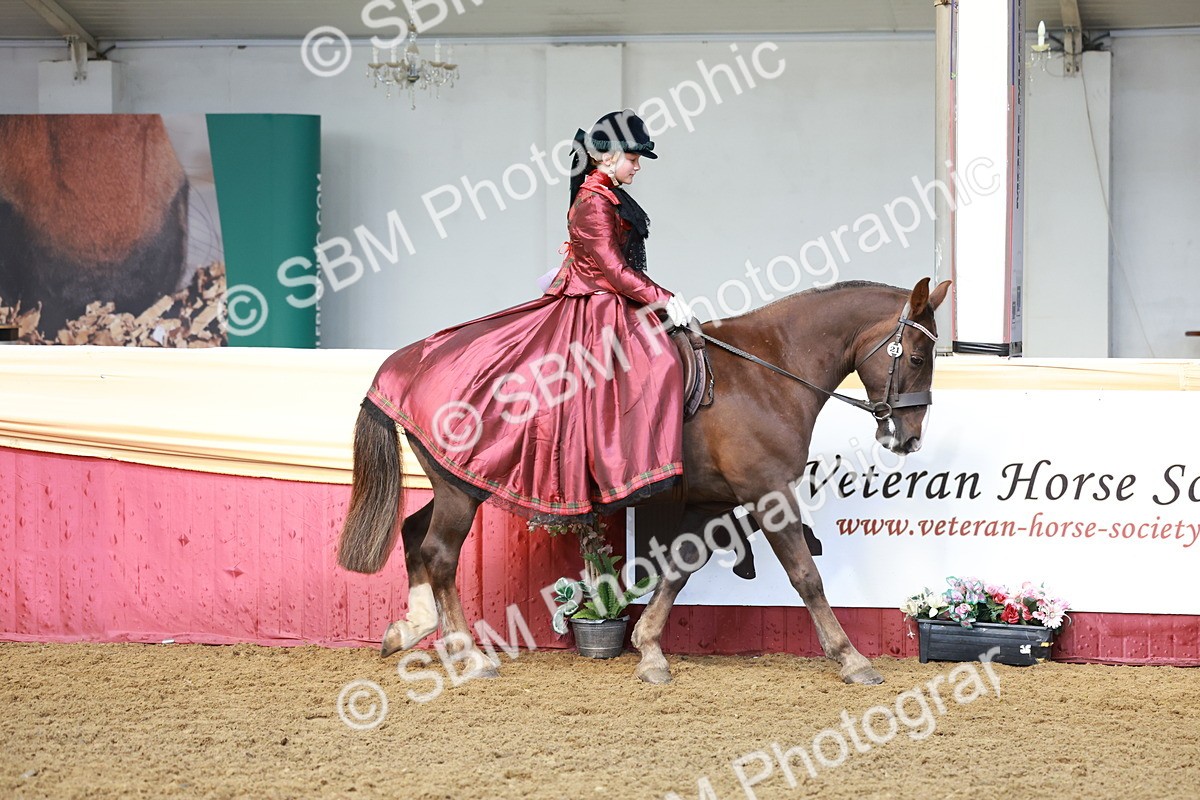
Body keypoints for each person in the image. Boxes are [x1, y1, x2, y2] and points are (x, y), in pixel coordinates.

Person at [366, 110, 692, 525]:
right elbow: (614, 269)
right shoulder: (594, 202)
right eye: (633, 157)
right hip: (597, 307)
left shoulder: (607, 195)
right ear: (608, 156)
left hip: (609, 300)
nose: (638, 166)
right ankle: (614, 468)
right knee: (655, 362)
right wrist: (665, 298)